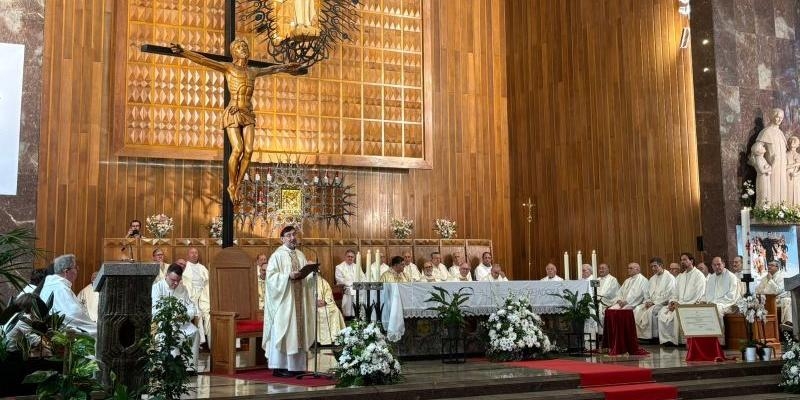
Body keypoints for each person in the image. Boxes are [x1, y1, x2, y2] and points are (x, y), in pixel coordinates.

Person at [170, 40, 299, 202]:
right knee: (237, 148)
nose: (243, 48)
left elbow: (272, 69)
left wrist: (287, 67)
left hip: (248, 112)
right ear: (234, 53)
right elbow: (204, 60)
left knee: (249, 151)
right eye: (239, 47)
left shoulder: (253, 71)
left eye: (245, 46)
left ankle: (237, 185)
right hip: (233, 111)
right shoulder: (229, 68)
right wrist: (184, 51)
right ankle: (231, 184)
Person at [262, 225, 315, 377]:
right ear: (282, 239)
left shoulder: (300, 255)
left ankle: (296, 367)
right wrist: (287, 277)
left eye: (294, 234)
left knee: (297, 331)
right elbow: (271, 279)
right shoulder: (277, 256)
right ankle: (280, 367)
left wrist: (312, 273)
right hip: (284, 302)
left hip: (299, 300)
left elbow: (305, 278)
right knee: (284, 331)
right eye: (289, 235)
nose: (293, 238)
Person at [152, 263, 201, 371]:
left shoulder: (182, 288)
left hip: (182, 323)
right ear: (167, 275)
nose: (175, 283)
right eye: (173, 280)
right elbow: (155, 310)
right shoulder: (157, 288)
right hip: (165, 323)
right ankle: (171, 368)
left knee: (195, 332)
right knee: (169, 334)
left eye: (178, 280)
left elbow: (191, 308)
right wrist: (172, 317)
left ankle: (191, 368)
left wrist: (184, 316)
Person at [39, 254, 96, 337]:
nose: (77, 270)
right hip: (60, 332)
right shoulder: (60, 287)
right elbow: (73, 313)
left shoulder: (52, 284)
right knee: (99, 332)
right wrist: (91, 324)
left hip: (54, 328)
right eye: (76, 268)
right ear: (66, 271)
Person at [657, 252, 706, 346]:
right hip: (678, 303)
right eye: (681, 260)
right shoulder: (680, 276)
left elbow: (699, 295)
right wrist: (672, 302)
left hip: (691, 304)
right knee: (662, 311)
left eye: (685, 259)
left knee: (676, 314)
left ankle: (679, 341)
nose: (682, 262)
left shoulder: (699, 276)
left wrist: (680, 305)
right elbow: (674, 293)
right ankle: (667, 340)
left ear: (691, 261)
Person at [633, 258, 676, 340]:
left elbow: (670, 295)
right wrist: (648, 301)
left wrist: (654, 303)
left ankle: (653, 336)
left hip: (663, 303)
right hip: (652, 303)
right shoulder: (652, 279)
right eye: (651, 266)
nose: (653, 269)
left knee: (651, 311)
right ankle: (641, 336)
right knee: (637, 309)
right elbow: (647, 293)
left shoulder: (669, 278)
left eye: (655, 266)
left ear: (661, 265)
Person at [753, 108, 788, 205]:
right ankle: (772, 210)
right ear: (772, 117)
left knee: (782, 188)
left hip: (782, 166)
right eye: (777, 117)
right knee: (773, 189)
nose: (779, 119)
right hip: (772, 166)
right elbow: (756, 149)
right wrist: (762, 163)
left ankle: (782, 209)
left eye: (781, 118)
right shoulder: (766, 131)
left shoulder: (781, 133)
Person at [183, 247, 210, 345]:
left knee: (208, 312)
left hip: (204, 294)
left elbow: (208, 282)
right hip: (191, 294)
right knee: (196, 312)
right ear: (188, 255)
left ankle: (210, 341)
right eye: (192, 253)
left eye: (196, 253)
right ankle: (198, 341)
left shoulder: (202, 268)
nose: (194, 255)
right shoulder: (185, 267)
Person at [702, 257, 740, 323]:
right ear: (712, 266)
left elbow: (731, 296)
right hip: (713, 303)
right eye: (714, 265)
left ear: (723, 264)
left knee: (716, 309)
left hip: (728, 305)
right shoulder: (711, 278)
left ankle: (719, 333)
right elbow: (707, 293)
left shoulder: (731, 277)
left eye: (719, 264)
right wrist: (703, 300)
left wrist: (715, 302)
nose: (717, 267)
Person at [756, 260, 793, 325]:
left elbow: (778, 291)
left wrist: (770, 280)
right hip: (767, 301)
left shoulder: (782, 276)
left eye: (772, 265)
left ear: (777, 267)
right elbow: (758, 290)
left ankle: (787, 324)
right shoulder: (765, 278)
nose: (769, 267)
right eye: (769, 265)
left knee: (787, 300)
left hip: (779, 300)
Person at [315, 276, 346, 345]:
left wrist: (325, 301)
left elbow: (328, 293)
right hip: (312, 306)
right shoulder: (305, 281)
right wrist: (313, 302)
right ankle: (316, 339)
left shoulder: (323, 281)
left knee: (335, 310)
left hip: (324, 303)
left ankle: (334, 337)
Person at [334, 249, 363, 318]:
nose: (350, 258)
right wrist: (352, 283)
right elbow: (339, 279)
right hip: (346, 288)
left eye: (352, 257)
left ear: (354, 258)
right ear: (345, 257)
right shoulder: (339, 267)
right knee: (351, 291)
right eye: (348, 256)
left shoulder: (357, 266)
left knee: (363, 292)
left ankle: (359, 314)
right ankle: (348, 315)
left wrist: (358, 284)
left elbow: (363, 277)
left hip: (357, 287)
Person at [788, 136, 800, 205]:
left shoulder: (799, 155)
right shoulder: (785, 155)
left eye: (794, 141)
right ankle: (787, 209)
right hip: (787, 175)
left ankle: (796, 210)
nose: (792, 142)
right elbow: (783, 167)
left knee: (797, 193)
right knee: (788, 192)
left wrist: (797, 174)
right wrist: (795, 164)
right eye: (791, 141)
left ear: (798, 145)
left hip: (797, 177)